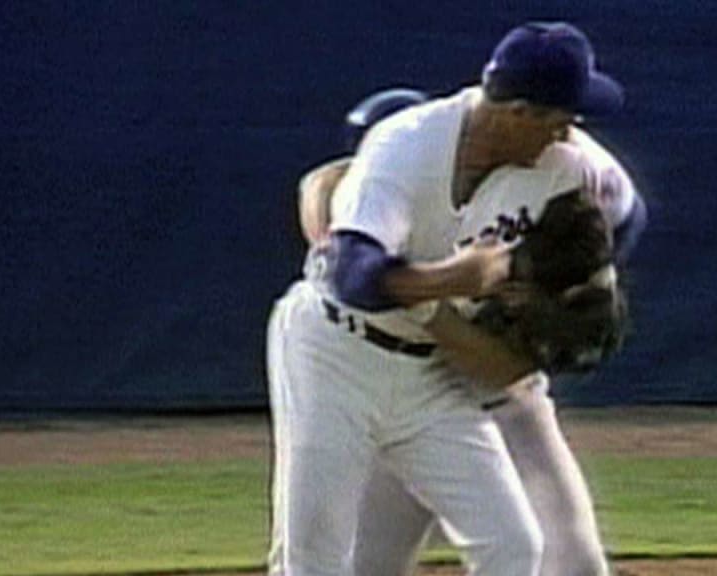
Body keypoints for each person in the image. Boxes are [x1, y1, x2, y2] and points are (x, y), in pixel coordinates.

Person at [267, 21, 627, 576]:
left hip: (433, 376)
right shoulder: (407, 143)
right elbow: (352, 276)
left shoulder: (565, 166)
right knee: (317, 554)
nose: (567, 135)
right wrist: (453, 281)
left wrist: (560, 289)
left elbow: (626, 219)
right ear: (518, 112)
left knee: (513, 546)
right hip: (334, 352)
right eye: (558, 121)